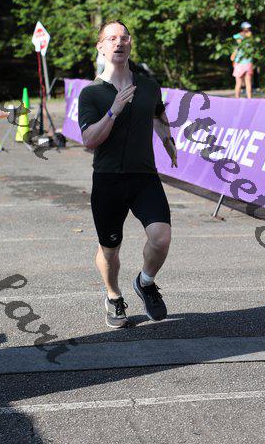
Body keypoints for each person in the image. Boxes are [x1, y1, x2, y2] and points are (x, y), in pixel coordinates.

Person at [78, 20, 178, 328]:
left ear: (130, 43)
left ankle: (145, 282)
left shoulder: (148, 85)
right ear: (101, 47)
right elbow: (89, 140)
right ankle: (113, 295)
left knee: (161, 238)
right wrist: (114, 110)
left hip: (144, 176)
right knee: (110, 251)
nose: (118, 43)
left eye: (123, 38)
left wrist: (168, 141)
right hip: (108, 180)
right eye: (111, 39)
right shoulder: (92, 93)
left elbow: (158, 113)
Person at [230, 21, 254, 99]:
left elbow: (236, 48)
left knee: (239, 82)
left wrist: (233, 56)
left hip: (239, 62)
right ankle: (249, 99)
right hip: (248, 62)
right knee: (248, 82)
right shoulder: (251, 38)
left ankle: (237, 99)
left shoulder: (238, 37)